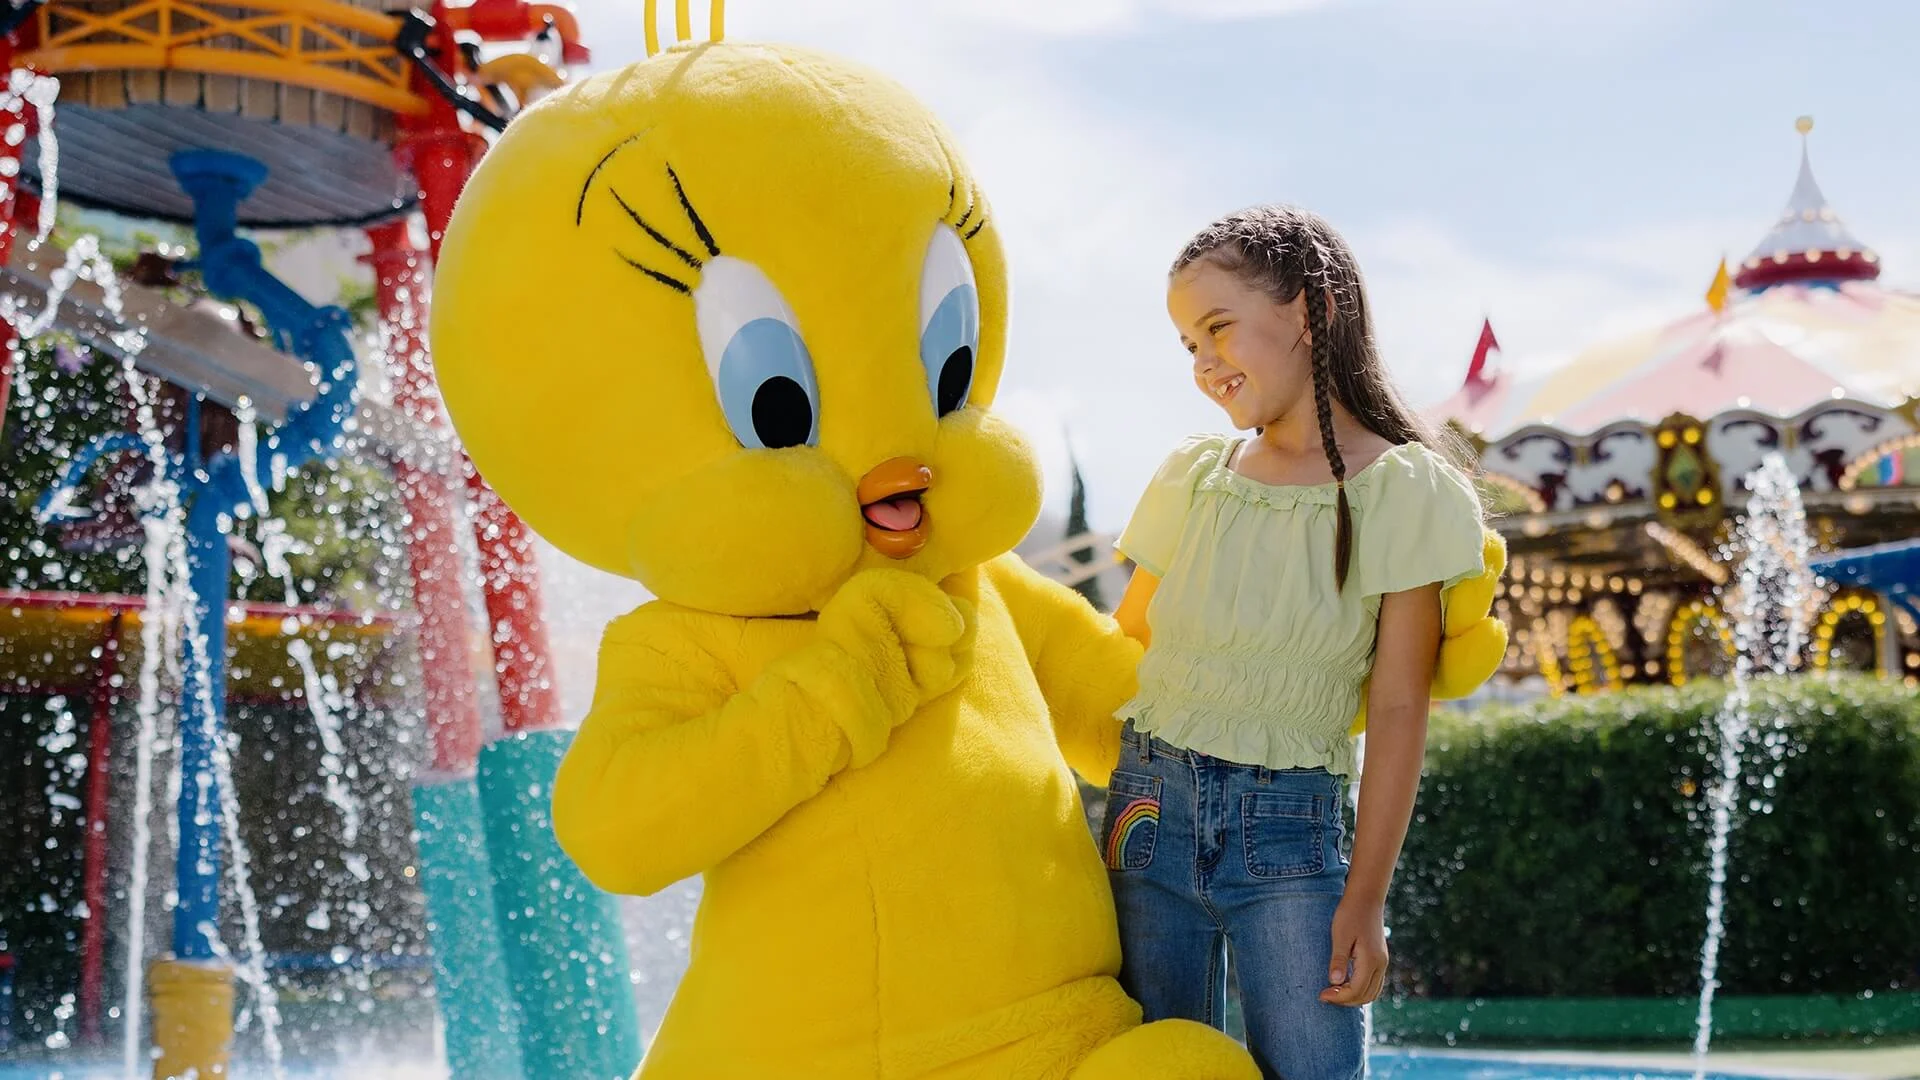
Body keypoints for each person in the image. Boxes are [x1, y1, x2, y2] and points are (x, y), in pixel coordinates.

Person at [1104, 205, 1486, 1080]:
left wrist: (1367, 898)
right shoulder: (1193, 478)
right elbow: (1119, 647)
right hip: (1145, 812)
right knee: (1142, 1067)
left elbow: (1399, 708)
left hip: (1291, 833)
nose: (1203, 364)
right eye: (1187, 344)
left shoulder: (1405, 490)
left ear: (1310, 310)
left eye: (1218, 328)